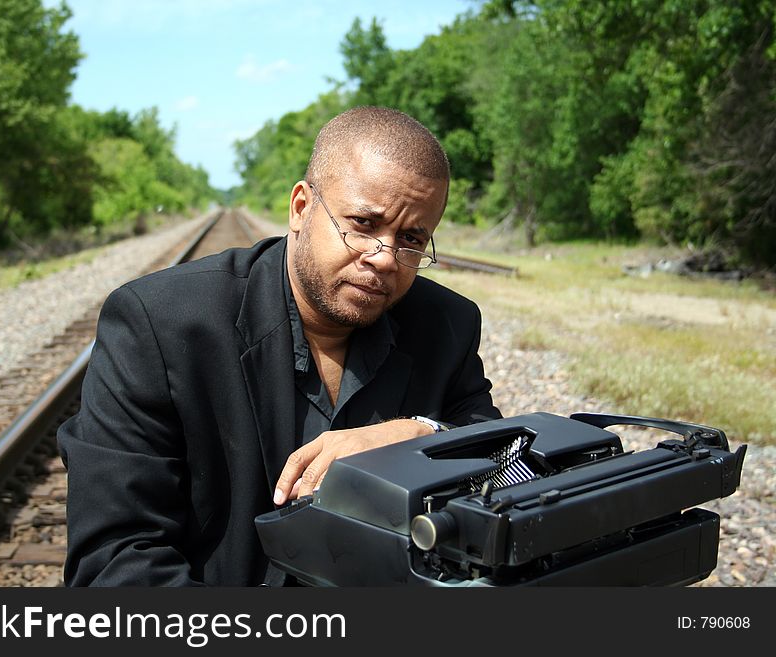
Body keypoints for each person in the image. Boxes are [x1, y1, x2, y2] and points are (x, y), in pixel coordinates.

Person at [57, 106, 501, 586]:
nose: (385, 259)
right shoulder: (158, 326)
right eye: (363, 225)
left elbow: (506, 456)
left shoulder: (445, 324)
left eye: (412, 239)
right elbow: (114, 558)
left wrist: (423, 435)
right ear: (301, 208)